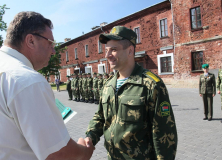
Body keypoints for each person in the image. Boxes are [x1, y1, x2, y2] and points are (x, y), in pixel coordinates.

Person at [0, 11, 94, 160]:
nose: (53, 51)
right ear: (31, 41)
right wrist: (84, 151)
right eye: (50, 43)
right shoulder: (27, 80)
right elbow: (58, 154)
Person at [85, 26, 177, 159]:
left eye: (114, 50)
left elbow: (164, 134)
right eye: (107, 50)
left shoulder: (151, 84)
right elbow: (100, 116)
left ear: (130, 51)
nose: (107, 55)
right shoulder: (108, 84)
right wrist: (91, 136)